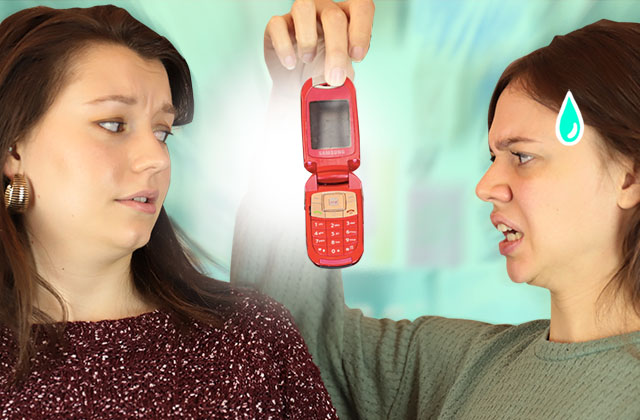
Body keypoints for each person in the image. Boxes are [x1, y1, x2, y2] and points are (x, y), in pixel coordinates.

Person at [232, 4, 640, 420]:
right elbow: (285, 344)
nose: (485, 187)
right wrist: (297, 95)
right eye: (493, 157)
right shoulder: (465, 366)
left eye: (522, 156)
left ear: (629, 177)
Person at [0, 4, 346, 418]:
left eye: (162, 131)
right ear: (14, 149)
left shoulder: (252, 339)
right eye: (113, 124)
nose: (156, 158)